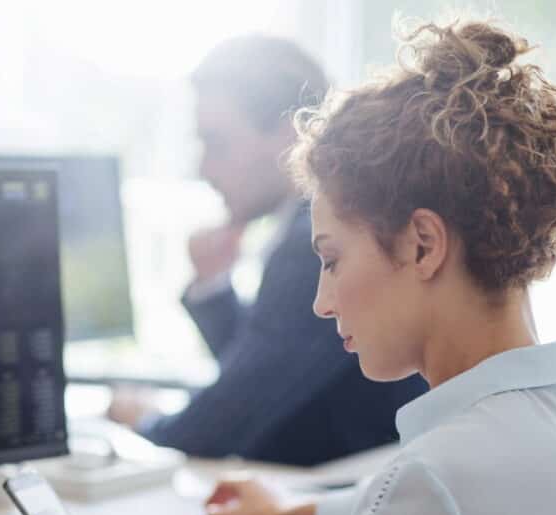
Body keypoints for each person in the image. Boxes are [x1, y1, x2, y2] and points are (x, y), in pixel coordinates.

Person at [0, 18, 556, 515]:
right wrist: (297, 513)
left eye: (332, 260)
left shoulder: (434, 484)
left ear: (424, 245)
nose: (323, 301)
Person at [108, 35, 427, 466]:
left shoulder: (310, 247)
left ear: (289, 132)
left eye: (216, 143)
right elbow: (262, 376)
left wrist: (144, 421)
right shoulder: (307, 232)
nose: (204, 168)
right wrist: (213, 287)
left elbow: (226, 422)